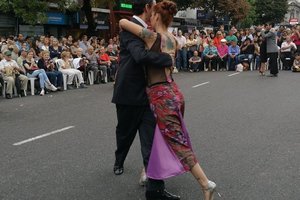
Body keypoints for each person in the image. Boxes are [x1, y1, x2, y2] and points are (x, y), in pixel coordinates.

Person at [119, 1, 219, 200]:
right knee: (158, 135)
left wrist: (145, 20)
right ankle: (148, 171)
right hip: (174, 92)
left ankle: (205, 183)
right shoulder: (174, 38)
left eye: (152, 15)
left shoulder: (152, 37)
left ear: (156, 17)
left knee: (177, 142)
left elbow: (123, 22)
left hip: (161, 95)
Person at [111, 0, 179, 199]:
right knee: (125, 133)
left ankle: (155, 189)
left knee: (150, 143)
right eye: (154, 6)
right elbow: (140, 56)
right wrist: (168, 59)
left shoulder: (146, 29)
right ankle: (119, 160)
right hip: (129, 93)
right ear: (148, 8)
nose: (156, 11)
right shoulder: (130, 29)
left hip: (150, 93)